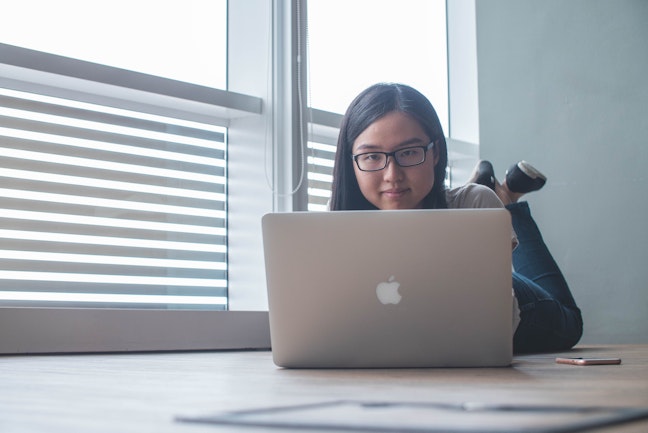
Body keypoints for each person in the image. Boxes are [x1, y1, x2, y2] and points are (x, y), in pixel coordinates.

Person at [329, 82, 582, 353]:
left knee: (570, 320)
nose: (392, 175)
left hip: (523, 311)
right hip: (470, 246)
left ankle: (507, 203)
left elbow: (493, 327)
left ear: (435, 152)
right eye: (371, 156)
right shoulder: (330, 233)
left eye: (409, 152)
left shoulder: (476, 203)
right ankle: (504, 194)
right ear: (351, 161)